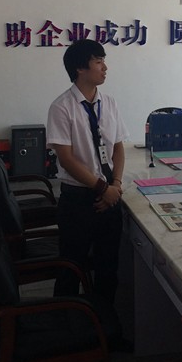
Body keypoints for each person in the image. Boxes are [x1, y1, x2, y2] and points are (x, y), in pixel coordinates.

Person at [46, 39, 128, 304]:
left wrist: (116, 184)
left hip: (110, 196)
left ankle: (104, 322)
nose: (105, 68)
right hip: (78, 200)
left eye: (104, 61)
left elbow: (118, 147)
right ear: (80, 68)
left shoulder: (110, 103)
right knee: (72, 267)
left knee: (108, 267)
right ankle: (66, 321)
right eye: (98, 61)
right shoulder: (61, 107)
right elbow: (67, 159)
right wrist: (103, 189)